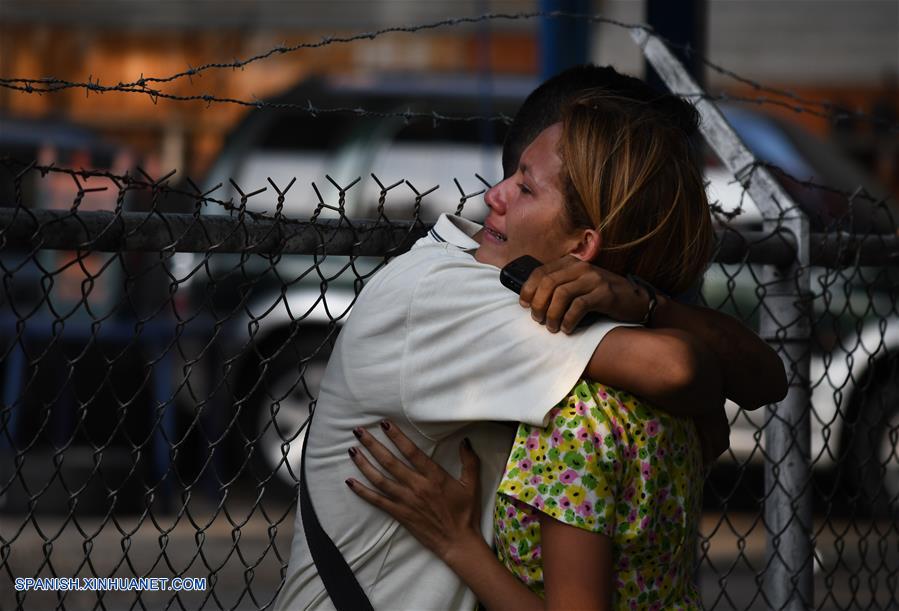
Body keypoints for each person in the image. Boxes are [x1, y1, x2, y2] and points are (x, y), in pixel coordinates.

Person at [275, 66, 786, 611]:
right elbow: (691, 372)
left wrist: (458, 543)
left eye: (524, 185)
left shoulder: (584, 401)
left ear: (584, 245)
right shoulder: (453, 292)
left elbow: (736, 375)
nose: (493, 195)